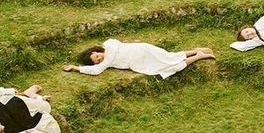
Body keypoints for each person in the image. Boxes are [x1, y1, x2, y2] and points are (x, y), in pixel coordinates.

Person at [63, 39, 215, 79]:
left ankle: (195, 51)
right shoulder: (106, 62)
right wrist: (76, 68)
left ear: (96, 50)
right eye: (96, 60)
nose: (98, 59)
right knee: (169, 68)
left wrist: (106, 58)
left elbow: (113, 45)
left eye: (96, 55)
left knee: (169, 56)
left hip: (142, 50)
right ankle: (198, 56)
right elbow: (95, 71)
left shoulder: (108, 45)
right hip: (140, 62)